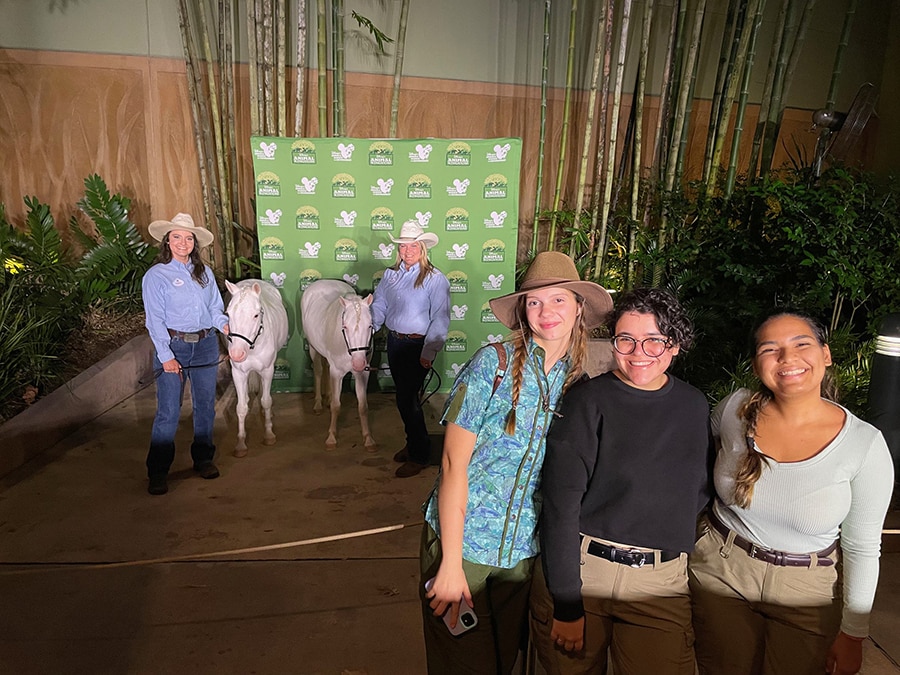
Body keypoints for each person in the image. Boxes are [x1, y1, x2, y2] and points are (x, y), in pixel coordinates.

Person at [420, 251, 614, 675]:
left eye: (559, 299)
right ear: (523, 311)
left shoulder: (578, 384)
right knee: (464, 665)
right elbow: (453, 465)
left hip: (522, 556)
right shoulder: (493, 365)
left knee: (503, 661)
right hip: (464, 545)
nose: (547, 311)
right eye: (535, 301)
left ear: (579, 307)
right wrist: (450, 563)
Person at [688, 311, 894, 675]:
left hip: (807, 590)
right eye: (770, 349)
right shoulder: (734, 409)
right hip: (722, 570)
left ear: (825, 355)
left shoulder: (863, 444)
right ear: (756, 365)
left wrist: (853, 633)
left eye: (801, 344)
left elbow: (862, 547)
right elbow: (694, 457)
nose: (787, 358)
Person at [532, 287, 712, 675]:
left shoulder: (694, 406)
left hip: (659, 582)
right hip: (584, 573)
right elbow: (561, 505)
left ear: (675, 345)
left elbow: (697, 491)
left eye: (654, 341)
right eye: (625, 340)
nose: (638, 353)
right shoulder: (588, 401)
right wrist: (566, 600)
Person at [142, 213, 229, 496]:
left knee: (205, 406)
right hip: (174, 346)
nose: (183, 242)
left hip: (205, 344)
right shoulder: (156, 276)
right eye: (177, 237)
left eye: (188, 238)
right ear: (167, 241)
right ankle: (158, 471)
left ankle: (203, 459)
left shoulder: (204, 273)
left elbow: (214, 308)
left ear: (195, 243)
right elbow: (154, 319)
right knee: (169, 411)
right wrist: (166, 355)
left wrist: (225, 325)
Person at [371, 221, 451, 478]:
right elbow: (379, 304)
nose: (407, 251)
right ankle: (414, 443)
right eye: (403, 246)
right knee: (405, 399)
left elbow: (440, 317)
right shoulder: (390, 275)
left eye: (413, 246)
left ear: (422, 248)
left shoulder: (435, 279)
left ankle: (419, 454)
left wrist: (429, 351)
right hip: (395, 341)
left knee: (408, 400)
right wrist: (370, 326)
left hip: (417, 345)